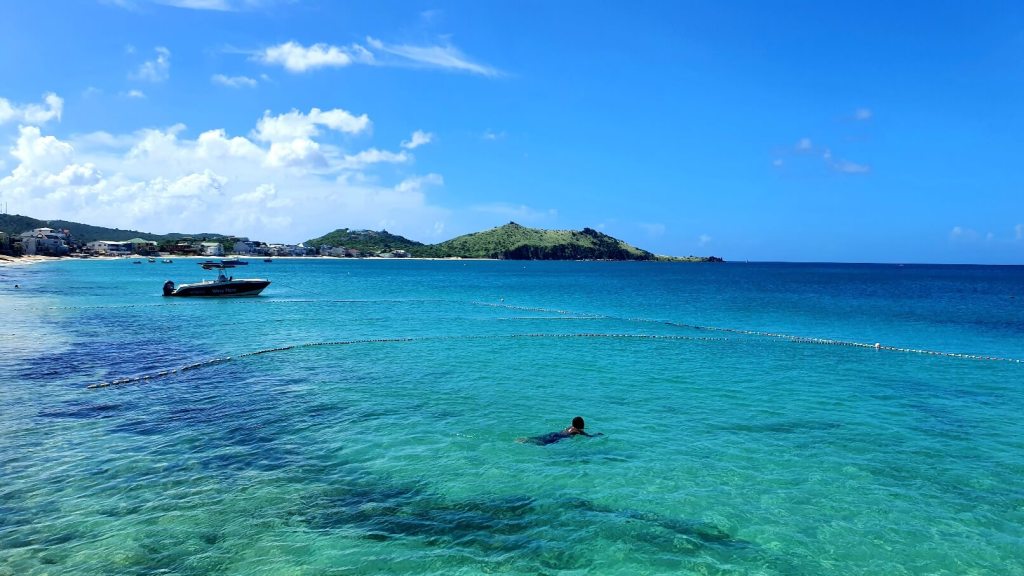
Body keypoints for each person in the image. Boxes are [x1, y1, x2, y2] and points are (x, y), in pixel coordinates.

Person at [517, 416, 603, 445]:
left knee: (541, 438)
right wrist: (597, 434)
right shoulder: (578, 431)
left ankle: (526, 439)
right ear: (582, 425)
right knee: (543, 443)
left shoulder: (570, 427)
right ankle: (527, 441)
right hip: (559, 437)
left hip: (556, 433)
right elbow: (589, 436)